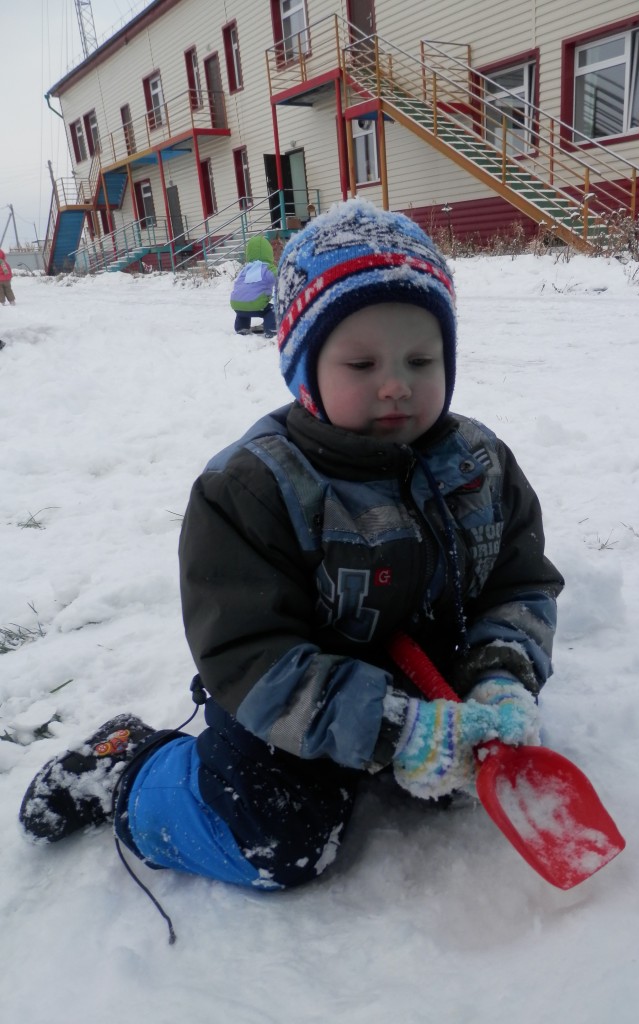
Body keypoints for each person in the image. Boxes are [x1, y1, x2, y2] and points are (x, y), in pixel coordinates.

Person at [19, 200, 564, 903]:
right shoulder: (253, 489)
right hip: (296, 702)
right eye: (361, 363)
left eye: (422, 360)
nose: (396, 384)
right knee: (277, 834)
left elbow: (519, 585)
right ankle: (129, 770)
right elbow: (251, 656)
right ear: (305, 369)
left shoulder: (479, 466)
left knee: (481, 766)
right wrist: (389, 727)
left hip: (428, 681)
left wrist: (501, 676)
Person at [229, 234, 277, 336]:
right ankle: (271, 329)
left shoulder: (245, 269)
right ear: (269, 253)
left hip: (237, 304)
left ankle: (241, 327)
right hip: (256, 304)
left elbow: (238, 283)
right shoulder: (268, 268)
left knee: (243, 310)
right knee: (272, 310)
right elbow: (279, 276)